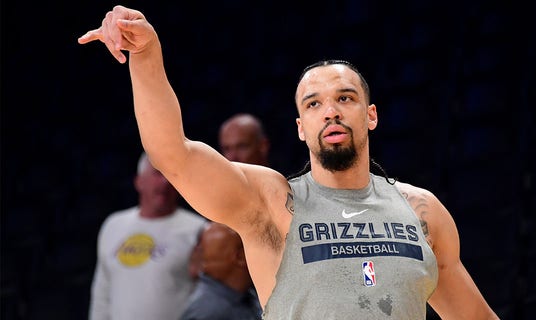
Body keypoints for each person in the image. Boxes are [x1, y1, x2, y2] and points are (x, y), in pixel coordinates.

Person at [78, 5, 499, 319]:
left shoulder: (422, 211)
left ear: (371, 115)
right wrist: (147, 55)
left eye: (345, 98)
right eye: (314, 104)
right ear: (301, 127)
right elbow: (172, 155)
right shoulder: (271, 203)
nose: (331, 111)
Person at [88, 152, 208, 320]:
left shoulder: (199, 229)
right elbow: (102, 294)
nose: (166, 182)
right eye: (158, 173)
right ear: (139, 182)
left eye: (171, 175)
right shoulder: (113, 225)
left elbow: (209, 297)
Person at [180, 113, 269, 320]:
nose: (233, 157)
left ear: (262, 146)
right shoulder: (209, 205)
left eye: (241, 147)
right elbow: (197, 268)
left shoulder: (288, 196)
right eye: (227, 149)